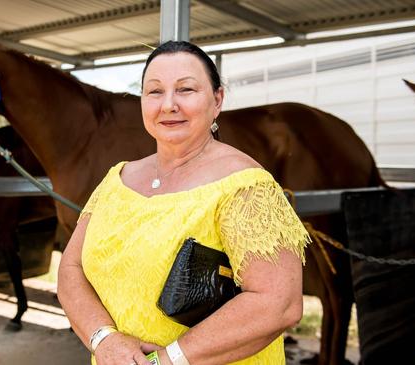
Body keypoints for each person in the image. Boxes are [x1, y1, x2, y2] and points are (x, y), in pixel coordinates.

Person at [57, 41, 309, 365]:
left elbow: (278, 303)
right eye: (155, 92)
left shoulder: (246, 186)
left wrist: (166, 360)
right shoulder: (116, 180)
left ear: (217, 100)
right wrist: (103, 339)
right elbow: (71, 267)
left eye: (186, 90)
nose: (169, 105)